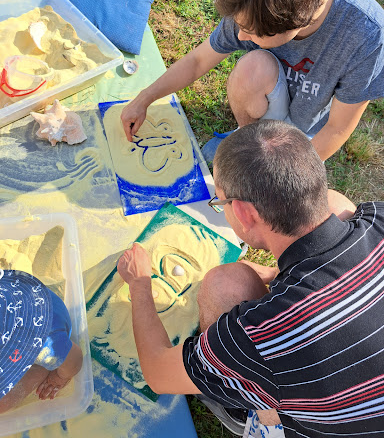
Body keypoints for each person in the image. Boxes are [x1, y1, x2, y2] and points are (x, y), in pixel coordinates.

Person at [117, 120, 384, 438]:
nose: (220, 208)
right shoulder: (377, 217)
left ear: (244, 213)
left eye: (219, 203)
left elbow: (158, 373)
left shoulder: (263, 334)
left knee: (221, 285)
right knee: (339, 205)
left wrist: (139, 284)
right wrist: (280, 276)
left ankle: (246, 413)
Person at [121, 0, 384, 163]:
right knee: (251, 67)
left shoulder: (366, 34)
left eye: (252, 32)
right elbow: (198, 61)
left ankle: (278, 150)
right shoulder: (254, 0)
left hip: (311, 130)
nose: (241, 34)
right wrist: (144, 99)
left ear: (295, 25)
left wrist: (287, 175)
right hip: (269, 92)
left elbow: (337, 129)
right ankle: (248, 140)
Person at [0, 269, 83, 413]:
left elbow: (75, 360)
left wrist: (59, 377)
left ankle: (40, 369)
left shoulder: (44, 346)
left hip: (45, 320)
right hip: (14, 292)